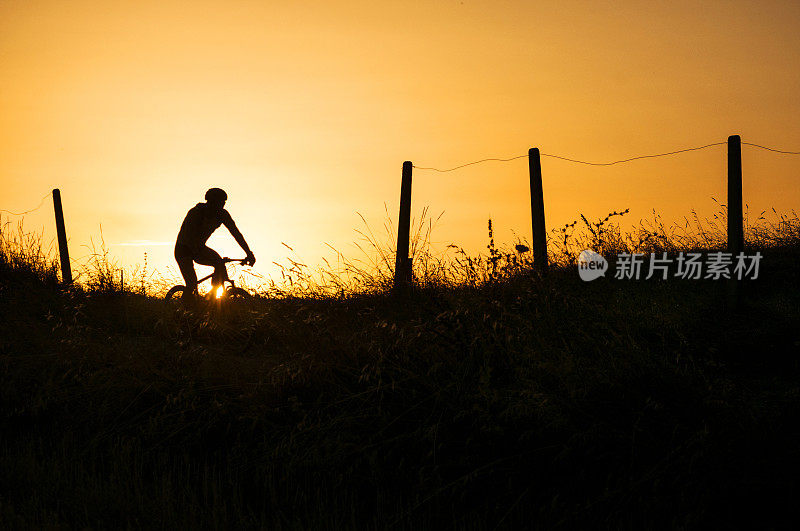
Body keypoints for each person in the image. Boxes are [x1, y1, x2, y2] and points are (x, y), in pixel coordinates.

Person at [174, 188, 255, 298]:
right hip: (183, 249)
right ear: (210, 202)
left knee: (220, 265)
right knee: (192, 283)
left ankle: (212, 296)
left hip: (199, 247)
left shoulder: (223, 214)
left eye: (224, 202)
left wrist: (248, 253)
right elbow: (189, 234)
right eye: (220, 202)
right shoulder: (196, 212)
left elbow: (236, 234)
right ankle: (185, 308)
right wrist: (196, 251)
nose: (222, 205)